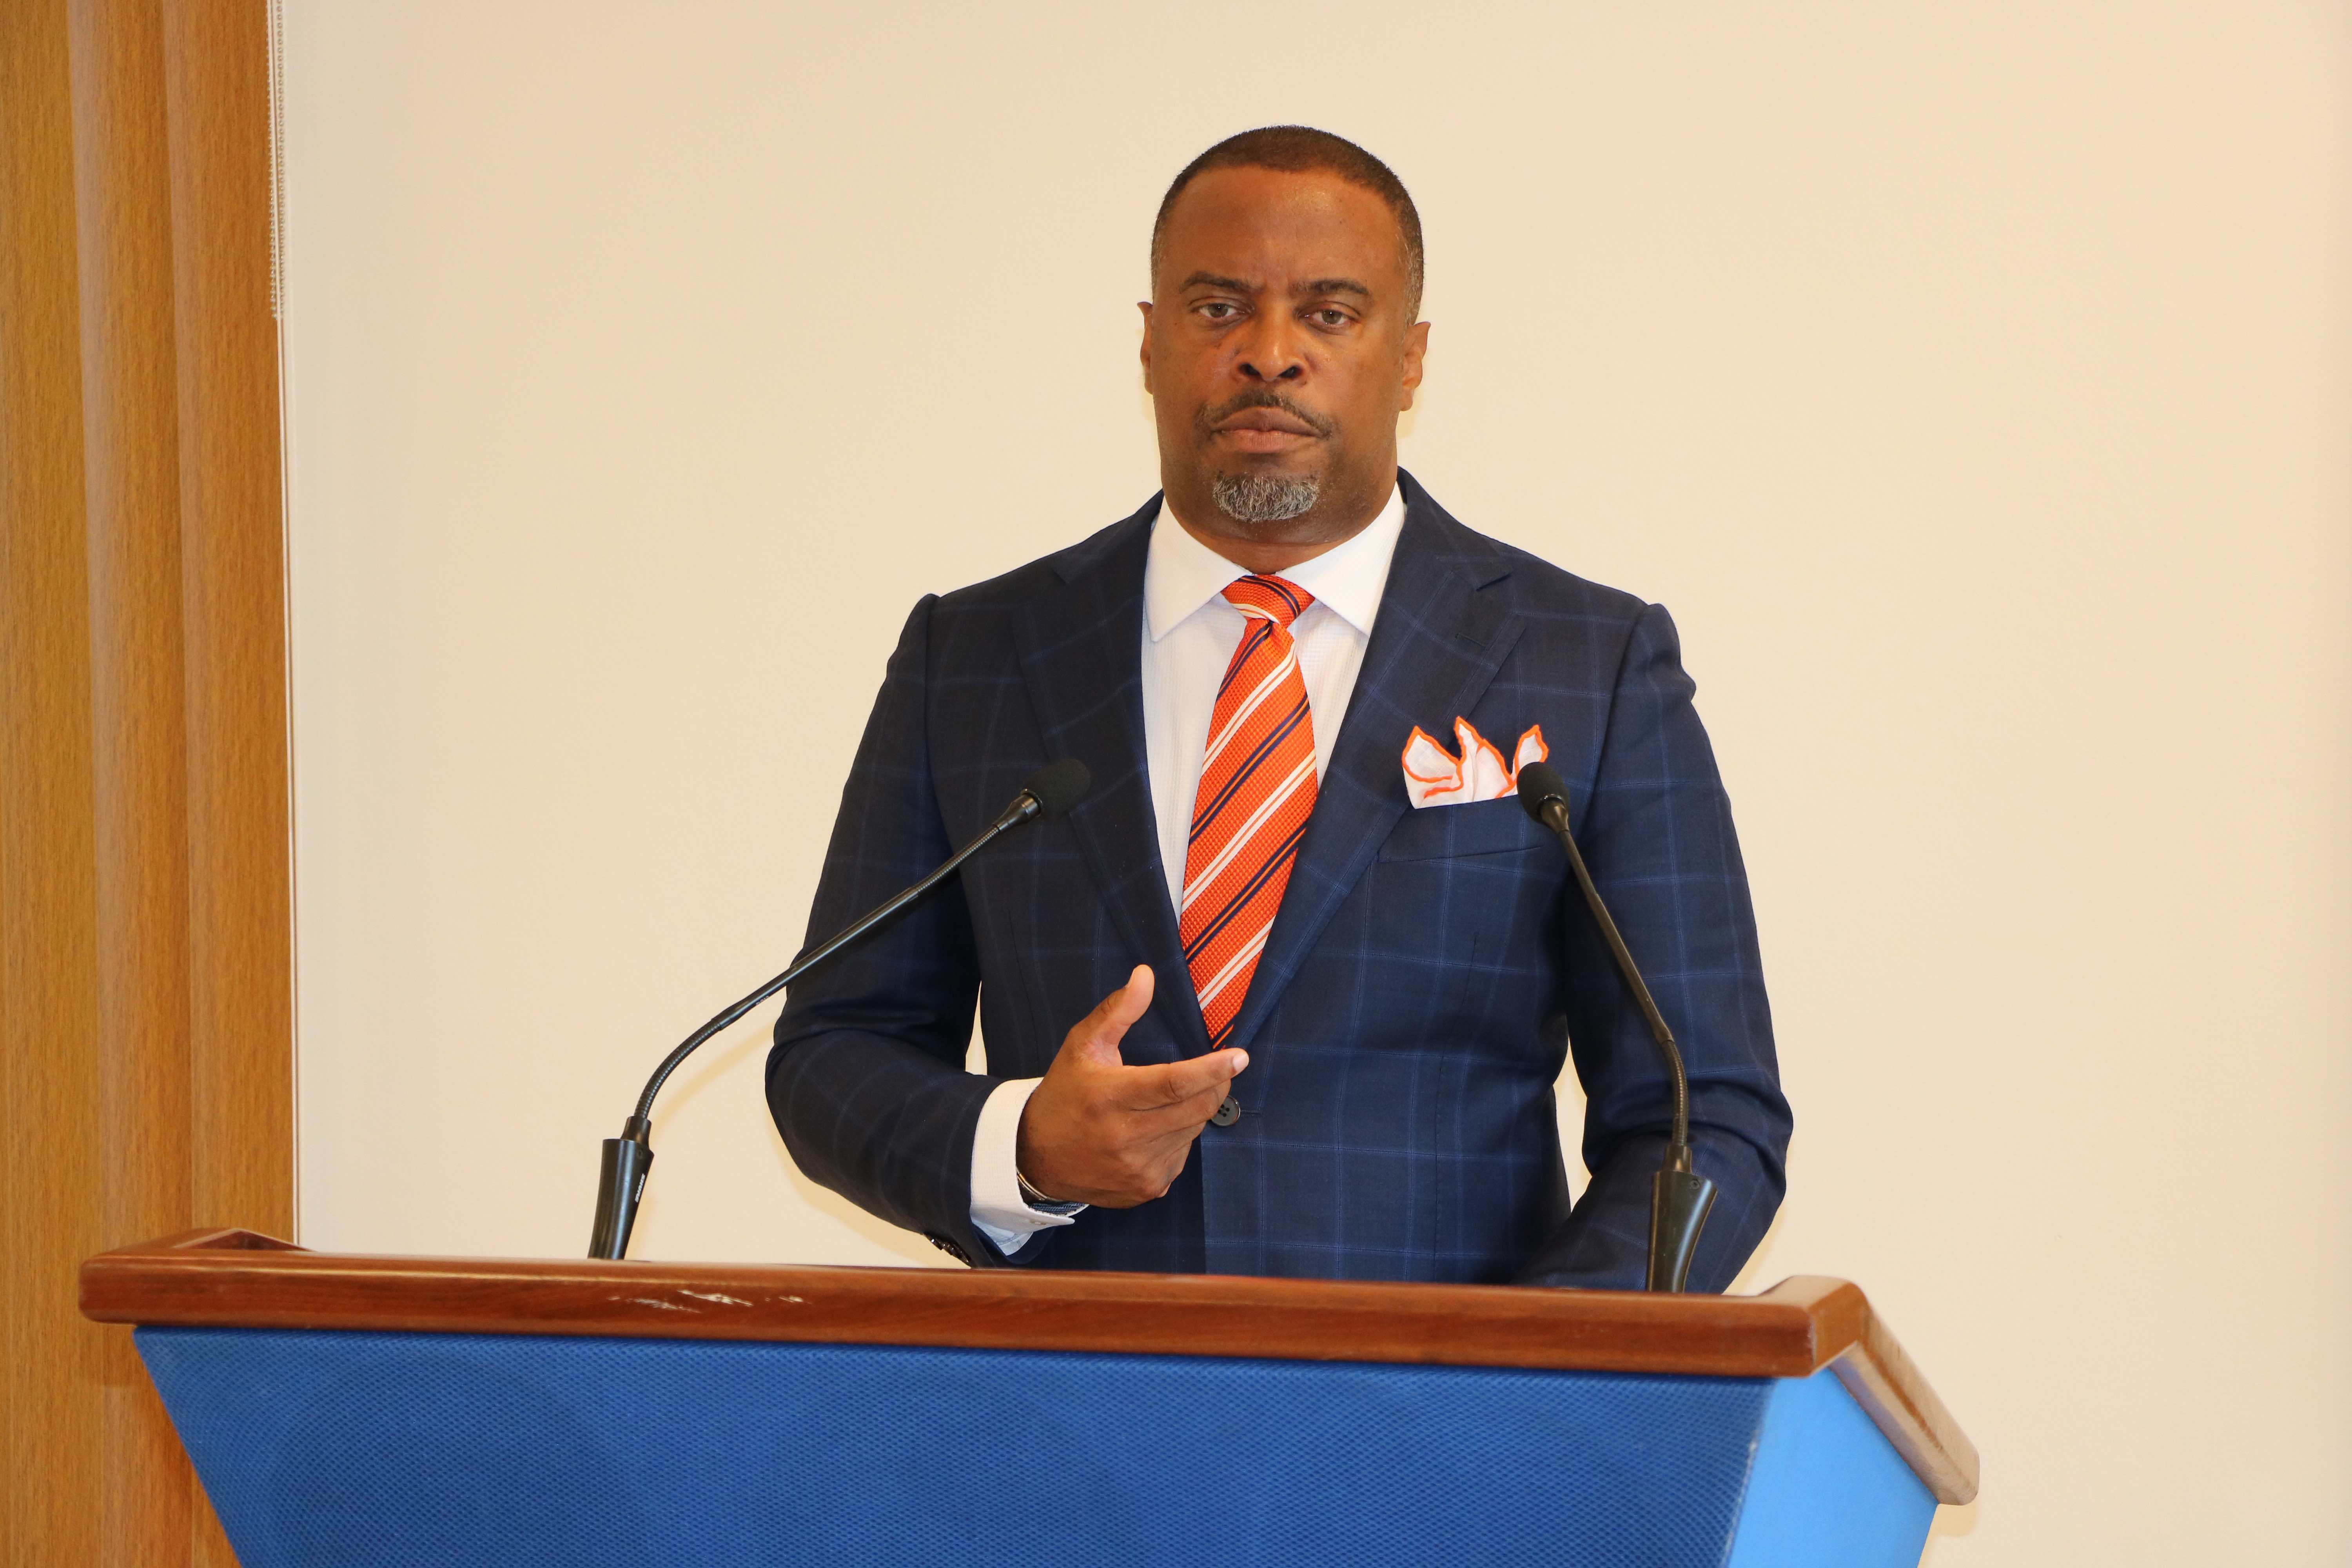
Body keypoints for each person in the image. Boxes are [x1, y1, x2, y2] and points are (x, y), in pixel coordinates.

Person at [767, 126, 1791, 1289]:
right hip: (1074, 1420)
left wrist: (1534, 1376)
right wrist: (1025, 1148)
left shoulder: (1586, 664)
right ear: (1149, 346)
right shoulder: (980, 654)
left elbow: (1706, 1114)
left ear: (1409, 360)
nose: (1269, 355)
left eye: (1330, 313)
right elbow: (833, 1054)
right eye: (1216, 308)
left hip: (1446, 1432)